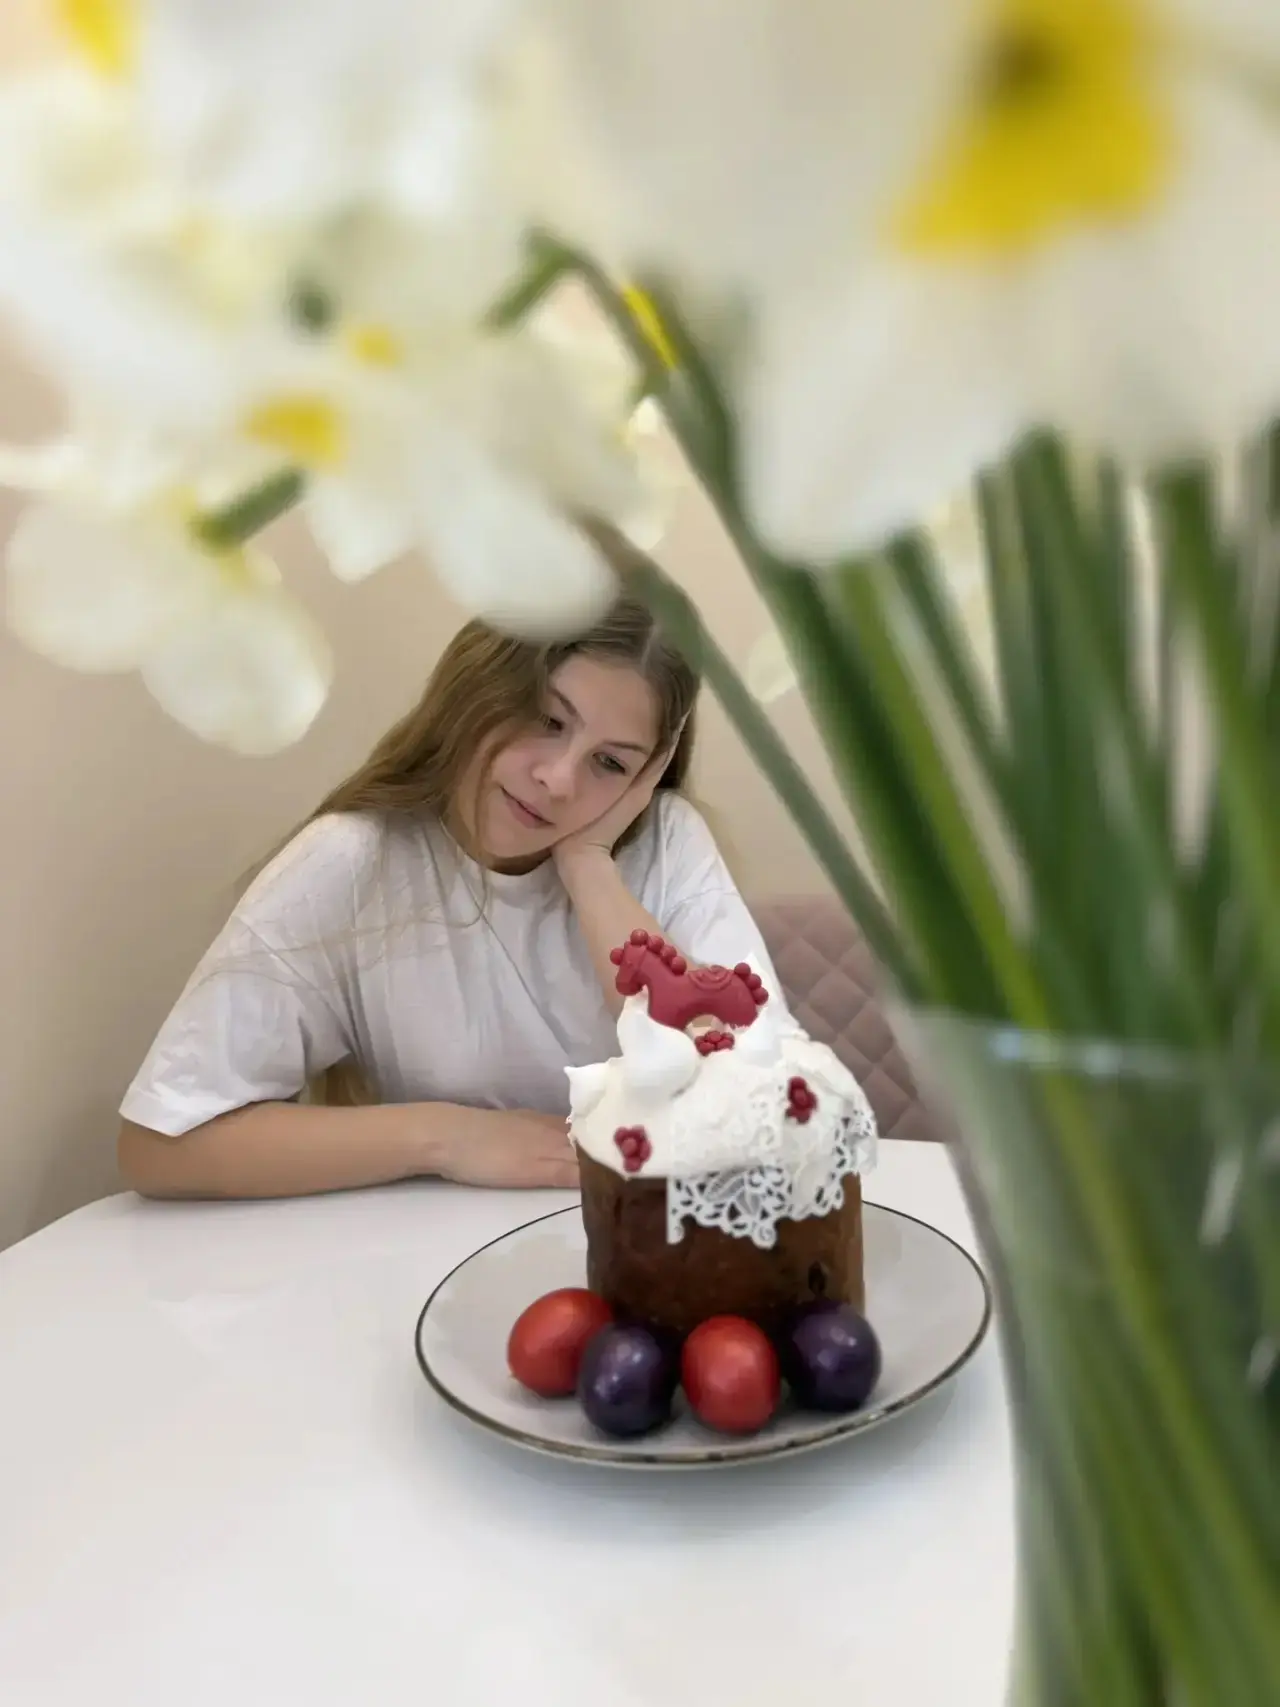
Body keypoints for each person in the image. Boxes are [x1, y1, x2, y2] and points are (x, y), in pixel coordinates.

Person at [117, 575, 779, 1203]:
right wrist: (448, 1137)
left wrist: (589, 865)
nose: (558, 779)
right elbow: (163, 1144)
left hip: (652, 1246)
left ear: (644, 778)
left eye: (609, 762)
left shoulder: (666, 842)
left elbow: (751, 1103)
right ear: (480, 687)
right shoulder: (353, 860)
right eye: (548, 720)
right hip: (430, 1255)